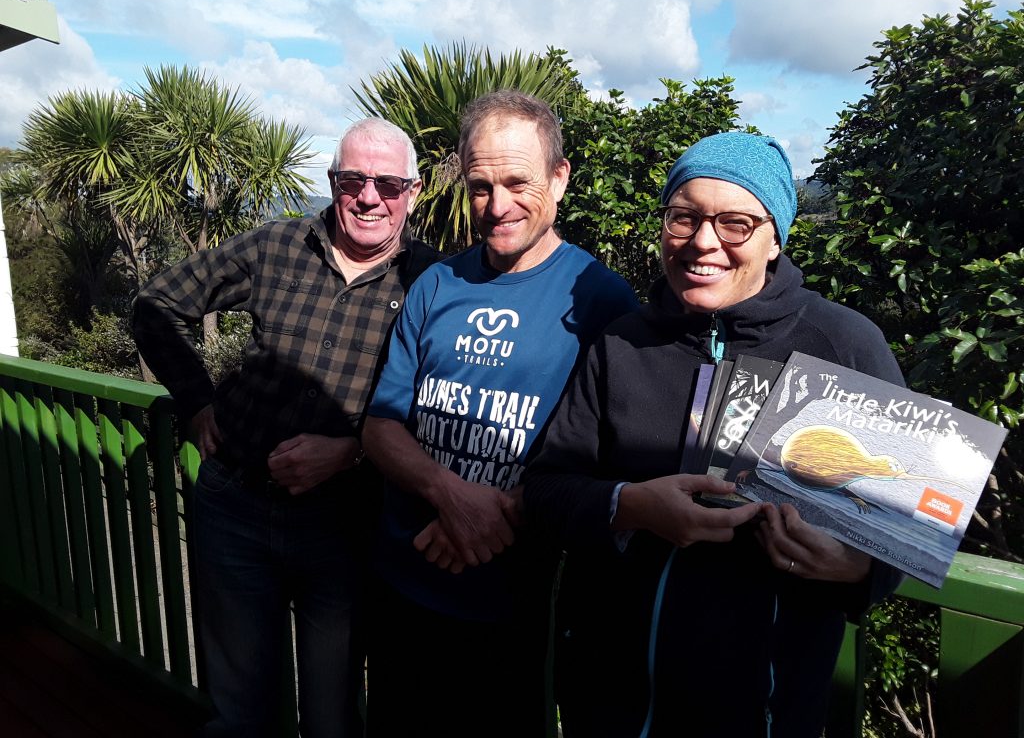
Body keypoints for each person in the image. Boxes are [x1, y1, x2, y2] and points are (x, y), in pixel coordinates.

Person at [523, 132, 904, 738]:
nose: (704, 242)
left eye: (736, 224)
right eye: (684, 217)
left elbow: (902, 536)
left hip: (764, 711)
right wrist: (630, 506)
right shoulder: (620, 342)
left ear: (775, 237)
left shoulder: (845, 346)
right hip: (611, 704)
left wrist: (857, 569)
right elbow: (544, 490)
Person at [132, 117, 440, 738]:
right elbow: (155, 304)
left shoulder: (435, 281)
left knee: (331, 715)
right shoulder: (277, 246)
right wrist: (196, 402)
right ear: (332, 182)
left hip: (346, 526)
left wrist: (354, 451)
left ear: (413, 190)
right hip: (235, 508)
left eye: (388, 183)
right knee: (241, 706)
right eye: (353, 179)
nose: (369, 197)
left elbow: (447, 404)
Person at [361, 90, 638, 738]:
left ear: (560, 177)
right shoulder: (437, 285)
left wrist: (490, 517)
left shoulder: (600, 298)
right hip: (403, 587)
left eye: (518, 182)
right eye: (481, 185)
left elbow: (606, 449)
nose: (497, 205)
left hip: (516, 606)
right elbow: (380, 425)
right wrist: (449, 494)